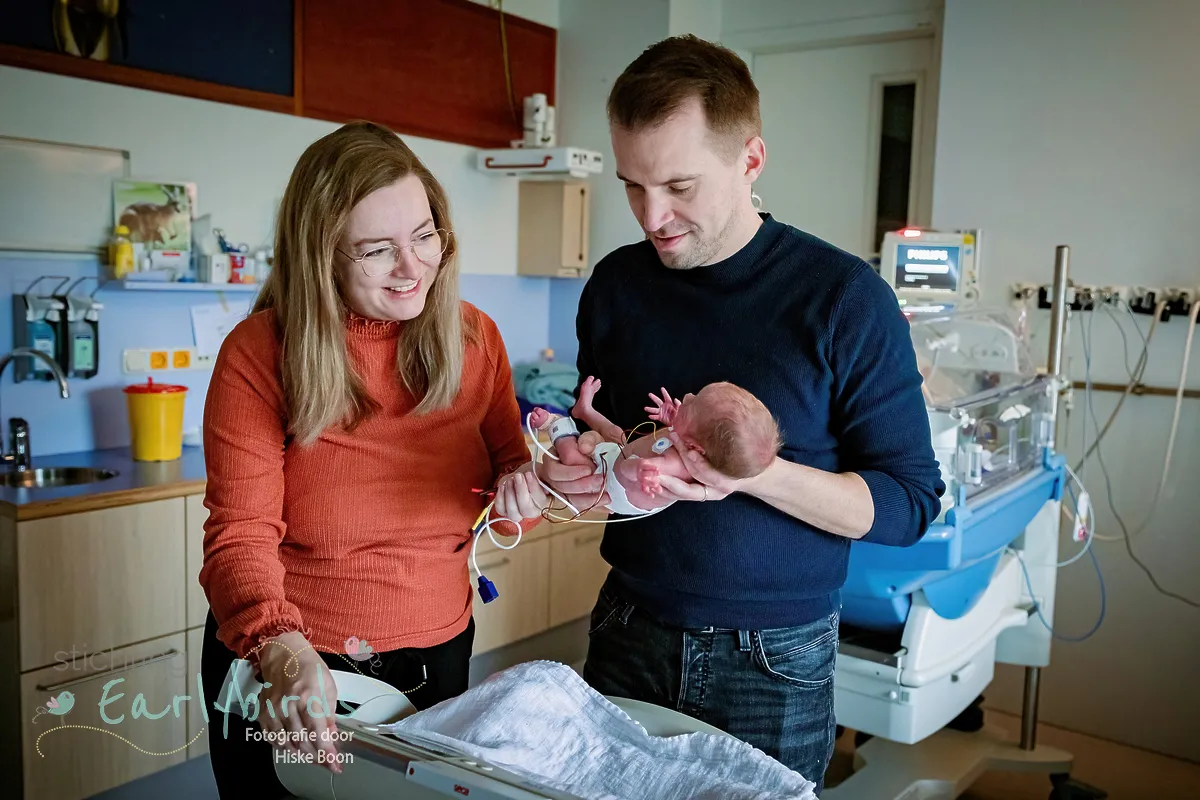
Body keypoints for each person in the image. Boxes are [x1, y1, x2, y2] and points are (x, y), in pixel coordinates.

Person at [536, 36, 945, 793]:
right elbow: (621, 447)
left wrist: (751, 476)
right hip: (627, 627)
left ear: (750, 161)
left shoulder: (843, 300)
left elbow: (909, 504)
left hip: (774, 661)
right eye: (633, 186)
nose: (652, 217)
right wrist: (572, 466)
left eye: (679, 186)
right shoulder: (618, 288)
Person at [198, 120, 549, 798]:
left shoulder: (476, 337)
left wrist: (530, 491)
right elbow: (238, 535)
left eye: (424, 237)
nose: (414, 267)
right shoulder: (259, 352)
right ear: (322, 255)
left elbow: (508, 485)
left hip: (437, 652)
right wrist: (283, 651)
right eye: (378, 250)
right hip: (290, 655)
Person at [530, 379, 782, 514]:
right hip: (621, 453)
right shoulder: (694, 445)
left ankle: (558, 428)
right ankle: (585, 411)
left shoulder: (670, 467)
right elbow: (679, 436)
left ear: (696, 447)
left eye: (692, 405)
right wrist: (674, 419)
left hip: (613, 484)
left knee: (577, 460)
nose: (687, 397)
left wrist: (641, 469)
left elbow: (628, 471)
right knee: (616, 434)